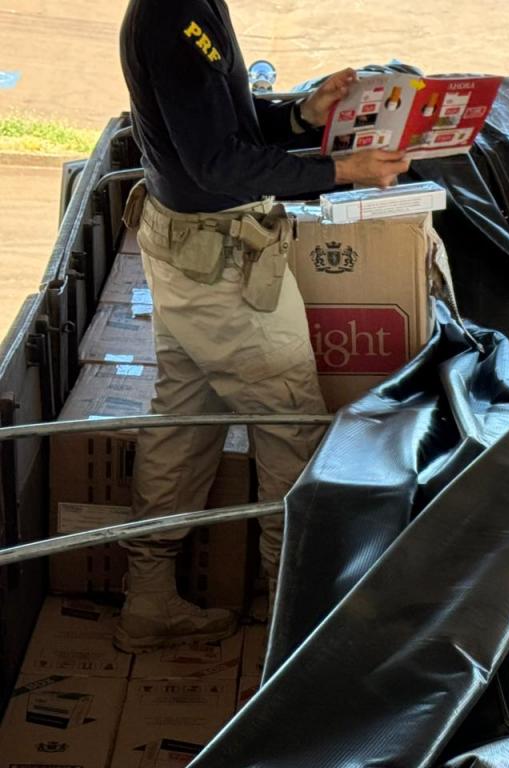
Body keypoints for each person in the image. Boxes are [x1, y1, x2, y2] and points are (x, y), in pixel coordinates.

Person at [115, 0, 410, 652]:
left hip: (186, 253)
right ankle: (292, 631)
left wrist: (302, 114)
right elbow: (219, 164)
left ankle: (149, 599)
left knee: (183, 422)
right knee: (292, 430)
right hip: (220, 266)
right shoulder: (174, 19)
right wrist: (341, 172)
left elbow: (221, 125)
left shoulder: (189, 7)